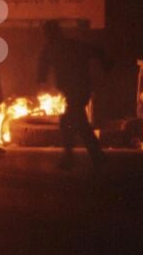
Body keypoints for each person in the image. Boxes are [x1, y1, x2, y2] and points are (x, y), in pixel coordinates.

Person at [37, 21, 110, 170]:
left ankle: (74, 158)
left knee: (69, 122)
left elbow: (42, 66)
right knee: (77, 122)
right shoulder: (72, 45)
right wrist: (106, 65)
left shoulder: (53, 47)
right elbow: (97, 51)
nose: (44, 36)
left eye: (45, 33)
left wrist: (41, 80)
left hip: (77, 90)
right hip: (80, 89)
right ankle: (95, 156)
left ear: (50, 33)